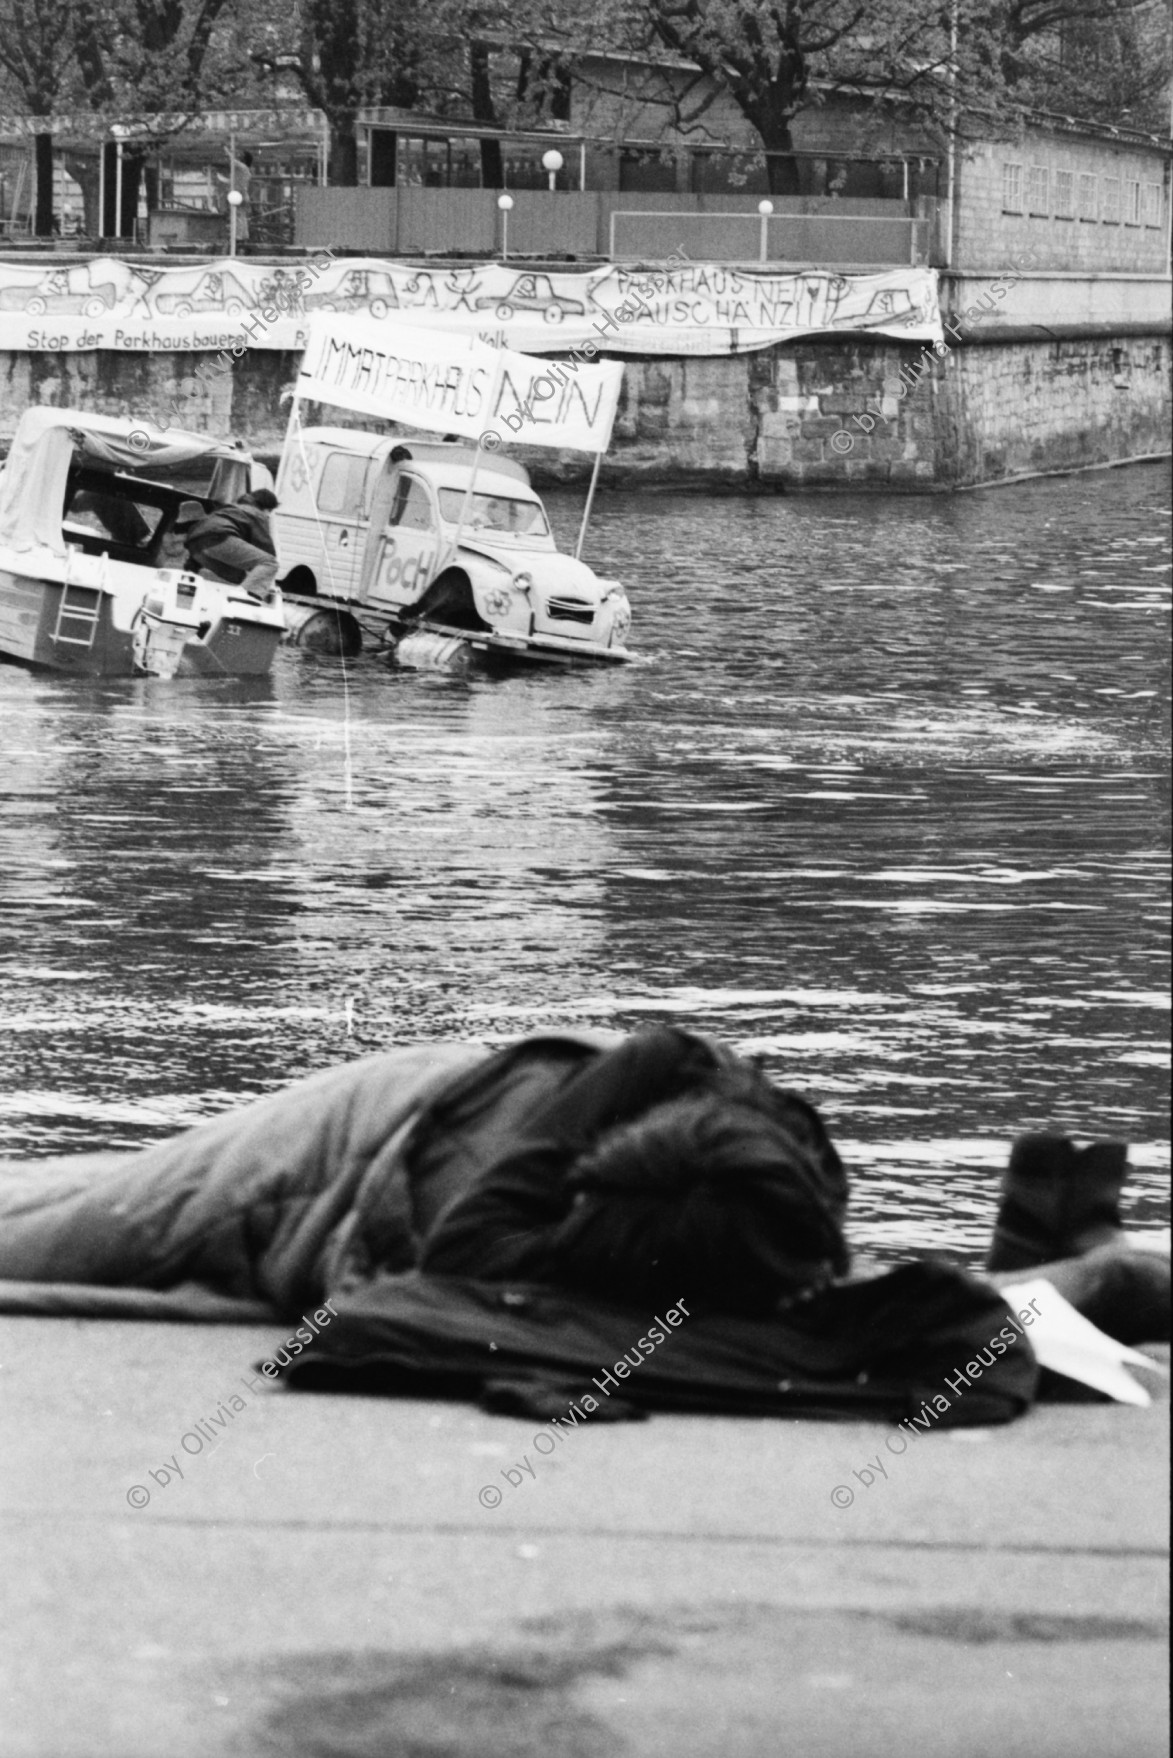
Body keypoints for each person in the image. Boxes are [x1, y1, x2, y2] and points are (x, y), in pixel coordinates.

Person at [0, 1026, 1165, 1356]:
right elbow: (473, 1244)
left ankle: (1079, 1267)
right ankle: (1080, 1267)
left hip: (384, 1205)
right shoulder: (726, 1179)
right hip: (352, 1142)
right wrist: (654, 1065)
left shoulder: (769, 1204)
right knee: (59, 1228)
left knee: (74, 1219)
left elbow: (840, 1295)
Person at [182, 488, 279, 597]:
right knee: (269, 563)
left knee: (243, 577)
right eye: (270, 511)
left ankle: (189, 586)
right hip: (218, 538)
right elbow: (265, 548)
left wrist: (191, 569)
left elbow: (203, 533)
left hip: (195, 547)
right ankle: (243, 598)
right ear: (266, 507)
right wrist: (269, 579)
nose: (269, 515)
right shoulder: (256, 514)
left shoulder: (231, 508)